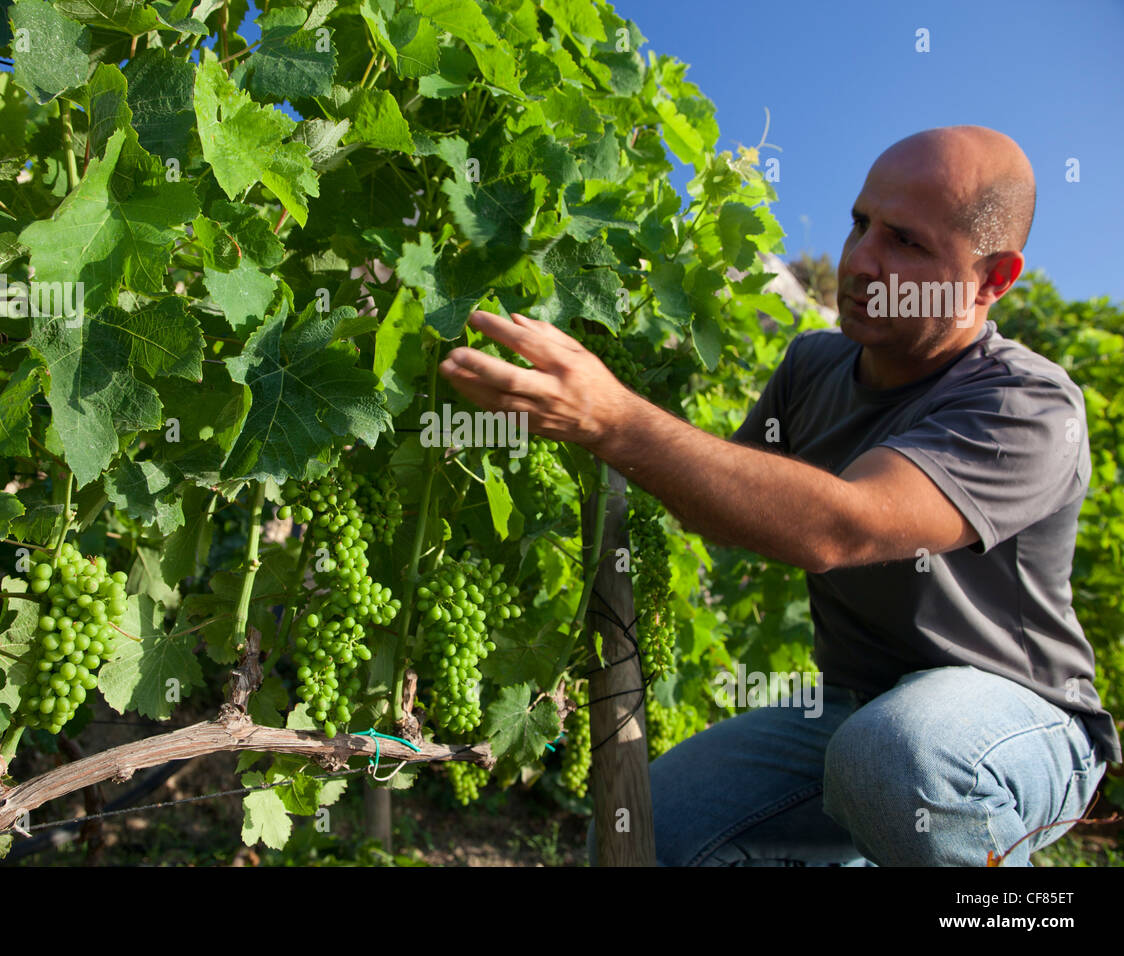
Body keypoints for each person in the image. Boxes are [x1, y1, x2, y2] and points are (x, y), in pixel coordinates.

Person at [437, 125, 1120, 866]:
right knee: (642, 828)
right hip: (856, 713)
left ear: (993, 279)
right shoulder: (812, 367)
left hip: (1019, 723)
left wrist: (615, 417)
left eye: (906, 243)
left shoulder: (1027, 404)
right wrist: (573, 415)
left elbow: (841, 525)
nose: (860, 262)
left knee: (902, 762)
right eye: (860, 223)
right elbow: (721, 506)